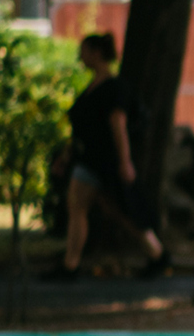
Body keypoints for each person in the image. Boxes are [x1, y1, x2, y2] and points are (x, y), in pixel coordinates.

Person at [45, 33, 169, 281]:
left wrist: (124, 161)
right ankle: (71, 265)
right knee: (83, 206)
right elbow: (83, 128)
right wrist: (68, 155)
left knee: (122, 209)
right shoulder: (92, 88)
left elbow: (118, 124)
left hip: (106, 160)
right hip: (88, 160)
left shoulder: (114, 88)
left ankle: (158, 255)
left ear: (96, 53)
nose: (80, 55)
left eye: (84, 50)